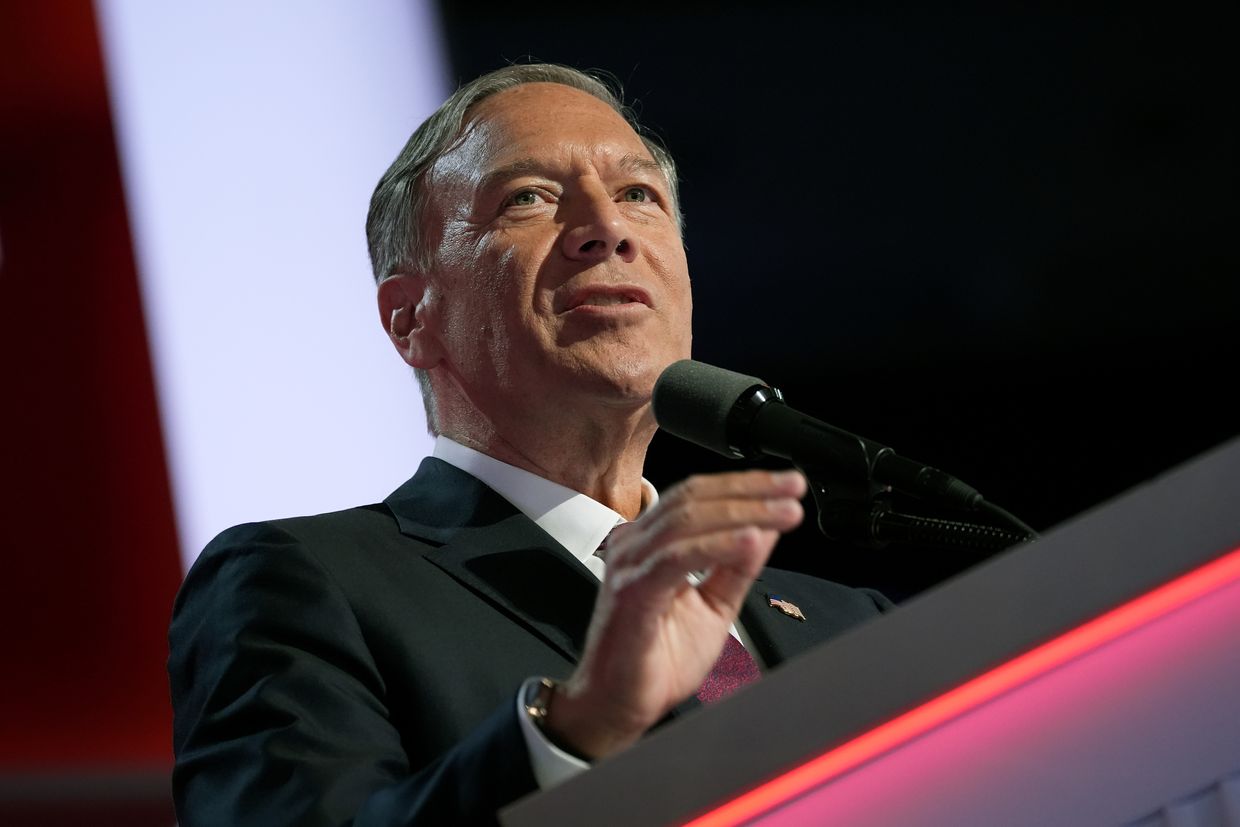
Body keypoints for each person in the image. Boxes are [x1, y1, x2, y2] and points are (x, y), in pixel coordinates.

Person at [168, 63, 891, 827]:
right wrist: (576, 729)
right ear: (412, 318)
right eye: (528, 199)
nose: (607, 229)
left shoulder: (853, 623)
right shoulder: (305, 586)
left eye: (638, 195)